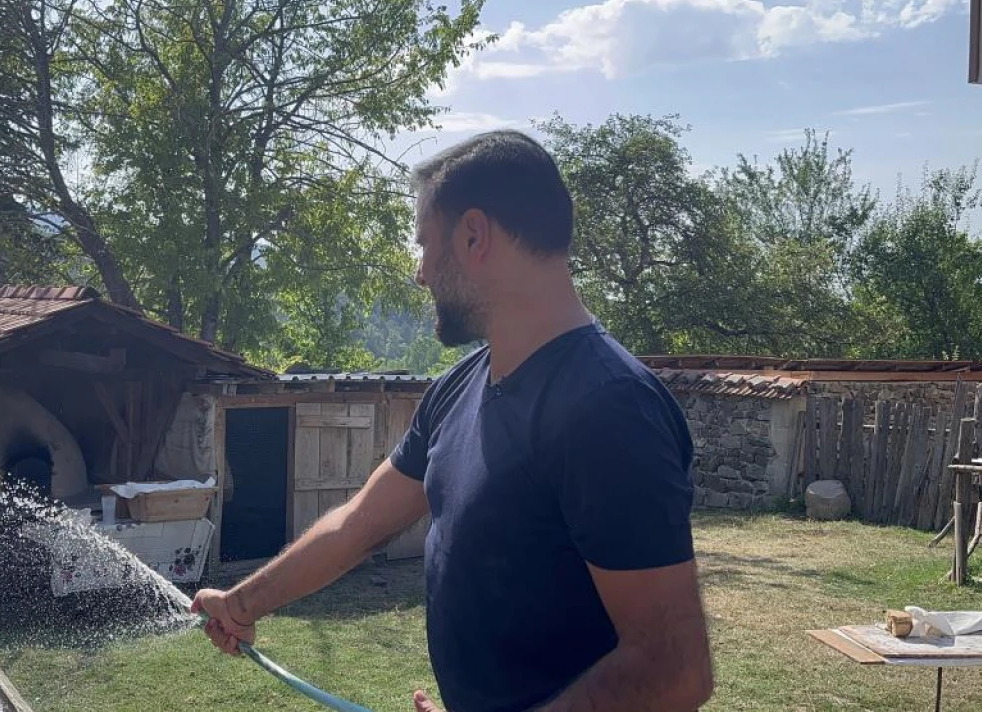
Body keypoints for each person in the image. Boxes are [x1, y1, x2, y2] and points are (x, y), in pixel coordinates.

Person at [192, 130, 714, 712]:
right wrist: (241, 605)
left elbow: (673, 671)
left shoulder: (609, 409)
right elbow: (359, 524)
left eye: (424, 244)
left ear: (473, 236)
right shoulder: (458, 388)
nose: (420, 273)